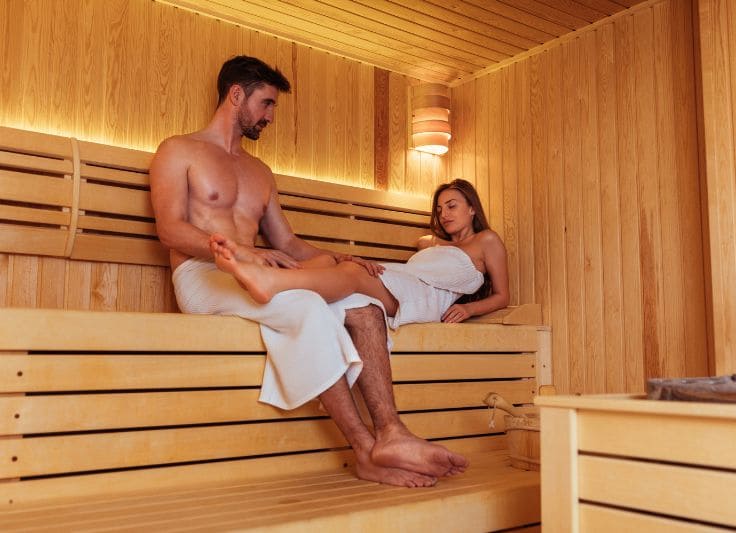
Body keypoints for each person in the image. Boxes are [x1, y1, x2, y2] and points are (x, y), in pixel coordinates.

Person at [149, 55, 467, 488]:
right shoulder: (178, 150)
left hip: (256, 274)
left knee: (363, 303)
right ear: (235, 94)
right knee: (305, 306)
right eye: (266, 104)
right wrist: (244, 253)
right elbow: (170, 230)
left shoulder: (259, 172)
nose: (270, 116)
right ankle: (363, 449)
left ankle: (392, 432)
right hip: (202, 276)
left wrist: (342, 258)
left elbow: (288, 244)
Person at [208, 179, 510, 327]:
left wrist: (469, 310)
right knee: (330, 261)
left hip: (428, 299)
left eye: (452, 206)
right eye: (440, 209)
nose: (444, 214)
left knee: (353, 273)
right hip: (404, 278)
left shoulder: (487, 241)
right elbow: (418, 254)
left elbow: (502, 296)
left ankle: (269, 281)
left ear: (472, 207)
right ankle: (263, 277)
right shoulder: (430, 242)